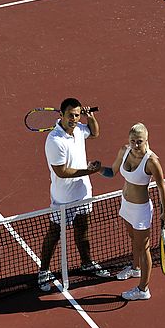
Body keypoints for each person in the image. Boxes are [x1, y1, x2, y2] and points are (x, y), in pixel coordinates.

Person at [38, 97, 111, 292]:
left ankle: (86, 263)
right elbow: (61, 172)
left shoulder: (79, 130)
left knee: (83, 230)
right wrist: (89, 171)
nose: (74, 119)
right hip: (62, 198)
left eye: (77, 115)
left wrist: (90, 117)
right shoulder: (54, 140)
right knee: (54, 234)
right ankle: (44, 270)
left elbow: (94, 133)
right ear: (61, 115)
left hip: (83, 193)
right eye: (70, 115)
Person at [105, 123, 165, 300]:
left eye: (139, 141)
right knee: (133, 239)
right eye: (133, 141)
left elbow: (161, 186)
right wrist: (96, 169)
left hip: (141, 210)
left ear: (146, 140)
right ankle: (135, 269)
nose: (135, 145)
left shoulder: (151, 162)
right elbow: (112, 171)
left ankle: (143, 290)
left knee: (144, 249)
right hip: (126, 204)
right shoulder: (124, 150)